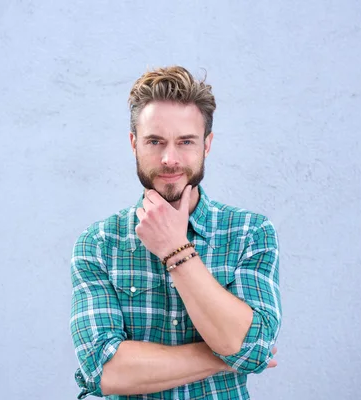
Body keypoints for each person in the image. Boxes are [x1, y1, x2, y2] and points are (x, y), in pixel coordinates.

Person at [69, 66, 282, 399]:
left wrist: (175, 248)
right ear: (133, 143)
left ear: (207, 145)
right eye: (155, 141)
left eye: (185, 141)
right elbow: (103, 369)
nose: (169, 159)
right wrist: (228, 356)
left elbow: (253, 349)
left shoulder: (250, 233)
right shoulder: (98, 244)